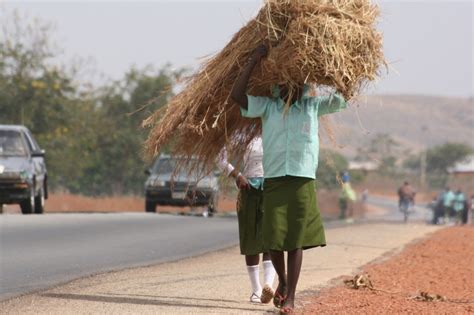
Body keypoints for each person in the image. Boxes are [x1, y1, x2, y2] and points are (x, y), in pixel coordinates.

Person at [231, 43, 347, 314]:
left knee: (295, 240)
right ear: (276, 87)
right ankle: (283, 282)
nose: (288, 89)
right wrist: (253, 58)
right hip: (274, 179)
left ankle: (291, 297)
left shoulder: (312, 107)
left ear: (302, 86)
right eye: (283, 85)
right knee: (273, 239)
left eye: (294, 84)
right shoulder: (268, 107)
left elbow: (343, 96)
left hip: (302, 179)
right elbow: (237, 95)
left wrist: (336, 60)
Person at [217, 136, 276, 304]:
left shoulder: (275, 127)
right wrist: (237, 175)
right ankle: (257, 290)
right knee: (250, 238)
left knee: (271, 237)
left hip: (272, 189)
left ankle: (268, 286)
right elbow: (220, 158)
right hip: (248, 189)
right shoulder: (240, 133)